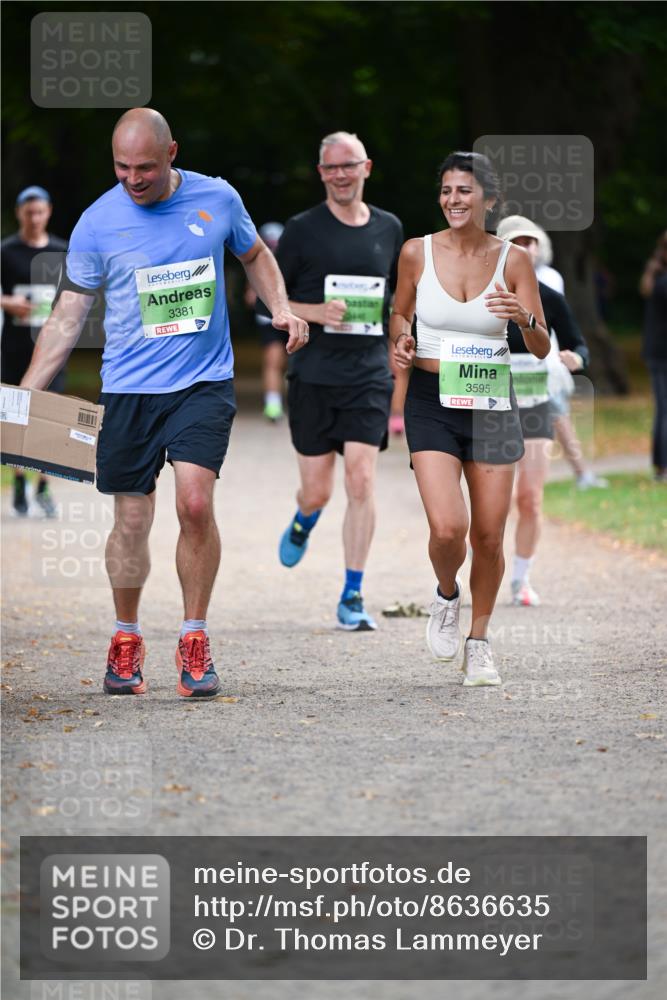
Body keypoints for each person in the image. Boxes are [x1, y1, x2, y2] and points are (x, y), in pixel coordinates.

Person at [19, 108, 308, 698]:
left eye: (144, 167)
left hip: (203, 383)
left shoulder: (217, 199)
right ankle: (126, 638)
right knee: (131, 518)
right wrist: (25, 396)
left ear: (171, 153)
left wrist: (279, 304)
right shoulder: (97, 222)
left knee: (196, 503)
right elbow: (68, 315)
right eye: (121, 167)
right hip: (128, 388)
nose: (133, 179)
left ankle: (194, 636)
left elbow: (254, 254)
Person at [391, 152, 550, 686]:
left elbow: (543, 345)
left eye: (465, 191)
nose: (454, 200)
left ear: (489, 199)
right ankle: (445, 594)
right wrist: (402, 338)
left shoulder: (514, 260)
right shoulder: (416, 251)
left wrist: (522, 317)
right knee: (448, 527)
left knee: (487, 535)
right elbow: (399, 311)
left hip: (491, 401)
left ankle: (478, 643)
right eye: (447, 190)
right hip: (433, 397)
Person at [275, 131, 403, 631]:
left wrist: (404, 335)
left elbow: (400, 300)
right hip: (313, 374)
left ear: (366, 167)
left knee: (362, 479)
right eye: (331, 168)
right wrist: (316, 312)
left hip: (368, 374)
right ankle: (304, 520)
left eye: (348, 165)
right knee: (317, 491)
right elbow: (272, 301)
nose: (340, 175)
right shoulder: (302, 229)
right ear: (321, 173)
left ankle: (352, 594)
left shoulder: (390, 228)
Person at [496, 216, 590, 606]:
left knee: (529, 497)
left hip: (535, 401)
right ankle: (477, 564)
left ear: (539, 248)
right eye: (515, 241)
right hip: (492, 403)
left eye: (530, 241)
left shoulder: (549, 297)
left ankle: (521, 579)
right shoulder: (482, 296)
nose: (525, 247)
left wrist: (574, 358)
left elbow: (579, 344)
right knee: (490, 501)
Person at [1, 186, 67, 517]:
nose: (35, 218)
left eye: (40, 212)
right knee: (15, 418)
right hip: (14, 347)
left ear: (49, 212)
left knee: (48, 418)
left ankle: (42, 485)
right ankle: (16, 482)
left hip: (51, 347)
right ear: (19, 213)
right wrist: (7, 302)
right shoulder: (5, 251)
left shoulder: (61, 250)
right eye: (29, 213)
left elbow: (80, 297)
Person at [243, 222, 287, 421]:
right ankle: (273, 405)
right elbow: (250, 298)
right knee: (273, 360)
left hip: (292, 316)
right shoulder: (257, 261)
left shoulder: (292, 258)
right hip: (268, 319)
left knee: (293, 362)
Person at [639, 230, 667, 482]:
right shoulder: (662, 283)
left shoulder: (657, 281)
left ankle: (661, 466)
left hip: (656, 352)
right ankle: (662, 466)